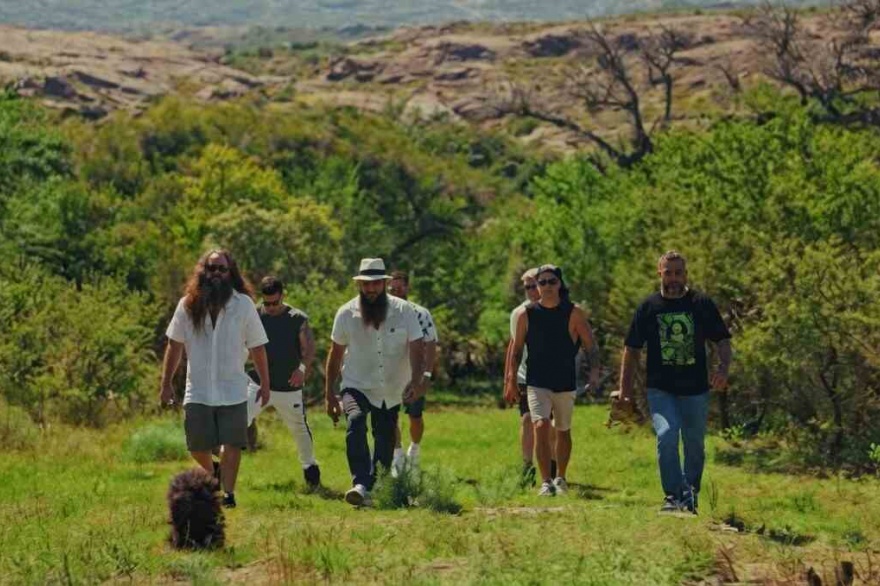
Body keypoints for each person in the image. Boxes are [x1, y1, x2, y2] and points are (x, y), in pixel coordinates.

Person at [617, 250, 732, 515]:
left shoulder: (700, 304)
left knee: (694, 444)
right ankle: (672, 496)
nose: (673, 278)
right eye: (668, 272)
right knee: (667, 435)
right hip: (660, 389)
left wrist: (723, 368)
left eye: (678, 272)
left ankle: (689, 496)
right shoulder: (649, 307)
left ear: (686, 275)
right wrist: (625, 391)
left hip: (695, 390)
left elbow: (722, 341)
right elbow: (631, 349)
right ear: (660, 273)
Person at [160, 249, 270, 509]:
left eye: (221, 269)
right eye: (211, 269)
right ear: (203, 271)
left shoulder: (243, 305)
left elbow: (257, 347)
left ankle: (228, 495)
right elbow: (174, 345)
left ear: (230, 272)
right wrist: (165, 383)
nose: (216, 274)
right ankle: (214, 473)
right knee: (197, 445)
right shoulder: (187, 305)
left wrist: (265, 383)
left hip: (233, 388)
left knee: (232, 443)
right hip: (197, 389)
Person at [324, 258, 426, 507]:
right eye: (366, 285)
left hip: (391, 387)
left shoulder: (404, 311)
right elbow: (335, 353)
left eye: (376, 284)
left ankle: (376, 484)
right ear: (359, 284)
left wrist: (415, 379)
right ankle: (360, 482)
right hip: (355, 383)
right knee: (356, 421)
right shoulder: (346, 313)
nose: (371, 290)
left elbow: (416, 345)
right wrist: (329, 393)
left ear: (384, 284)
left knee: (384, 436)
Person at [505, 264, 601, 496]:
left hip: (565, 381)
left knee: (562, 430)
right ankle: (546, 481)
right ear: (536, 287)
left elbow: (590, 345)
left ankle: (561, 477)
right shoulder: (524, 315)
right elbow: (516, 349)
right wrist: (510, 378)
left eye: (551, 281)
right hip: (536, 381)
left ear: (560, 284)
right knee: (540, 425)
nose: (546, 286)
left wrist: (595, 372)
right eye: (542, 282)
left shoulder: (574, 312)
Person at [246, 276, 321, 490]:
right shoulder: (255, 315)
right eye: (266, 303)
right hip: (258, 385)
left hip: (289, 386)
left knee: (299, 429)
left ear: (282, 296)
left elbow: (309, 350)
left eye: (274, 303)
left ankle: (310, 469)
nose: (270, 307)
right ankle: (220, 472)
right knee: (237, 421)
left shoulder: (297, 318)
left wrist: (302, 369)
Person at [388, 270, 438, 475]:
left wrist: (426, 375)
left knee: (414, 416)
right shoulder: (382, 312)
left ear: (407, 288)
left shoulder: (420, 313)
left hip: (413, 375)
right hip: (390, 374)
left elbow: (431, 343)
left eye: (400, 288)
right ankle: (397, 454)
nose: (397, 292)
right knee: (390, 416)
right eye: (393, 288)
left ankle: (414, 449)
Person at [504, 268, 541, 485]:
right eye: (526, 287)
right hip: (525, 375)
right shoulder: (519, 313)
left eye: (533, 285)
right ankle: (527, 468)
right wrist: (508, 379)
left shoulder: (558, 310)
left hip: (551, 375)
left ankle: (553, 468)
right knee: (527, 420)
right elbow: (513, 346)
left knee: (550, 425)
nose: (530, 290)